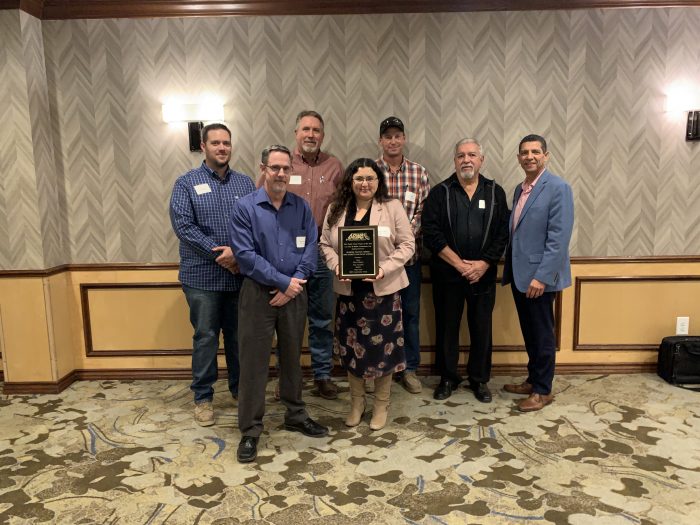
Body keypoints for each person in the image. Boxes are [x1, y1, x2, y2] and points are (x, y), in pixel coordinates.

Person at [230, 145, 329, 463]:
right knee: (254, 363)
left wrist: (294, 283)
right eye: (275, 168)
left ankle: (296, 415)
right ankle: (250, 429)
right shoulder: (245, 207)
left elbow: (310, 247)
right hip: (258, 294)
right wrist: (282, 282)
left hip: (294, 294)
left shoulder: (300, 207)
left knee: (291, 359)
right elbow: (245, 256)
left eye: (286, 169)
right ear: (263, 169)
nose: (281, 174)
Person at [169, 123, 255, 427]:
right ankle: (203, 398)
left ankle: (238, 390)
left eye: (227, 143)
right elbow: (184, 227)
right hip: (201, 278)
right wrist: (222, 254)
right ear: (203, 147)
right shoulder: (186, 183)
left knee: (237, 338)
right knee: (205, 337)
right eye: (216, 143)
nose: (222, 148)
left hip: (239, 277)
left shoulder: (245, 184)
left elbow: (256, 225)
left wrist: (239, 255)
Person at [319, 158, 415, 431]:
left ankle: (381, 404)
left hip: (383, 292)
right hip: (349, 294)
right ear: (351, 181)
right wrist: (337, 265)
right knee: (352, 350)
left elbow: (407, 244)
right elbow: (324, 243)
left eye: (370, 178)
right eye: (359, 178)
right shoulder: (336, 209)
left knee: (382, 350)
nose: (365, 183)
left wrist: (384, 269)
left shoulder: (392, 207)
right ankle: (357, 403)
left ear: (378, 182)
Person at [258, 110, 344, 400]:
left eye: (316, 130)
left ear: (323, 134)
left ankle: (322, 374)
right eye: (305, 129)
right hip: (285, 256)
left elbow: (343, 208)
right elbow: (259, 207)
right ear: (296, 133)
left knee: (321, 320)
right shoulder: (280, 165)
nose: (311, 134)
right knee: (287, 322)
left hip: (321, 253)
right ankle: (287, 378)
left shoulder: (334, 166)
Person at [422, 138, 509, 402]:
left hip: (483, 275)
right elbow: (431, 233)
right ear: (455, 160)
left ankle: (479, 380)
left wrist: (483, 264)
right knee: (447, 327)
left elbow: (502, 233)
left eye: (472, 155)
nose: (466, 160)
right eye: (461, 155)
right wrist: (459, 264)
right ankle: (448, 378)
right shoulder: (440, 192)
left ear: (481, 160)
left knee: (481, 327)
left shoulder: (495, 193)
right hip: (448, 274)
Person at [502, 134, 574, 412]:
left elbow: (559, 238)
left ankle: (543, 391)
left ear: (546, 155)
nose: (529, 156)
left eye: (535, 151)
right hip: (521, 275)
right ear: (519, 157)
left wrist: (542, 276)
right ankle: (533, 380)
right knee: (530, 333)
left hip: (539, 279)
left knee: (542, 334)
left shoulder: (558, 188)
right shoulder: (520, 190)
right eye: (524, 152)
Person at [375, 116, 431, 395]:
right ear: (381, 141)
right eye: (388, 136)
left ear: (404, 139)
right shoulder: (370, 171)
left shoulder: (419, 173)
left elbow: (423, 212)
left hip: (409, 261)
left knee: (409, 314)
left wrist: (404, 242)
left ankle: (409, 369)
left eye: (398, 136)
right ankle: (381, 367)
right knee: (378, 315)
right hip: (379, 264)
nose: (393, 141)